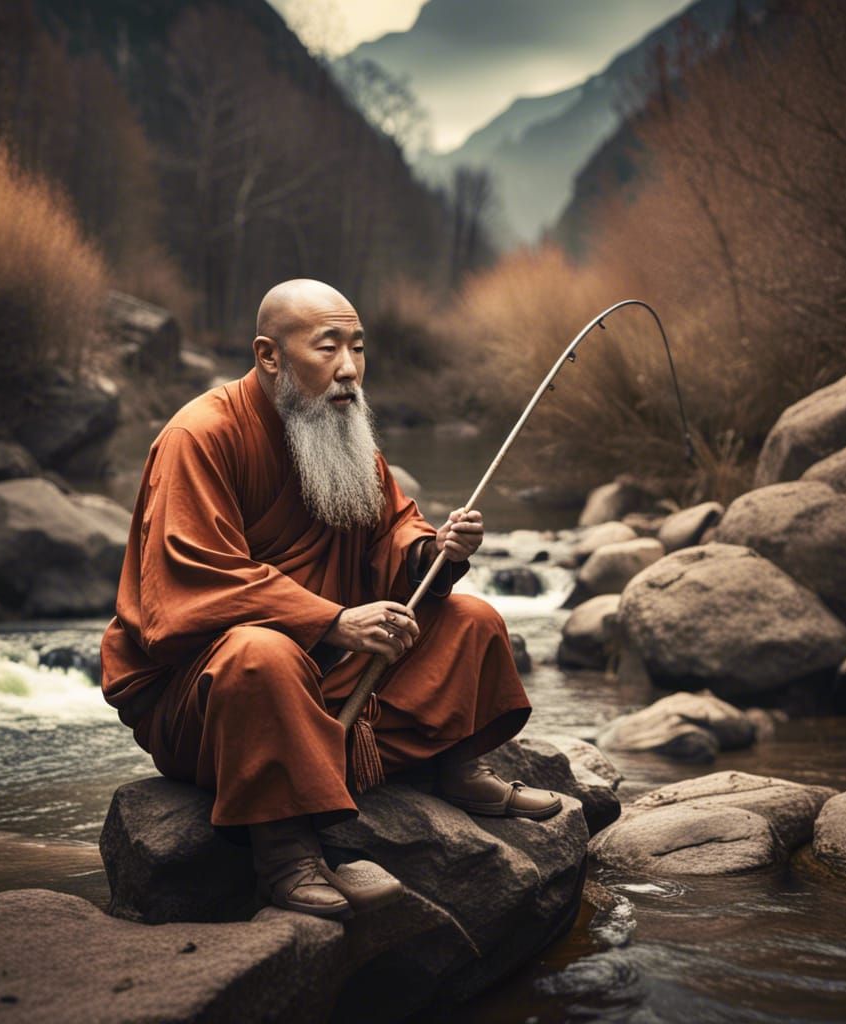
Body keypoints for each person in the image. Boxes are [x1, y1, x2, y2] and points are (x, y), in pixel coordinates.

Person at [100, 279, 561, 920]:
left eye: (358, 347)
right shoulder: (200, 436)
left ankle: (453, 768)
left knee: (469, 619)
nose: (349, 369)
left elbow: (392, 532)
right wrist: (335, 621)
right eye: (328, 348)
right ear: (269, 355)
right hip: (211, 699)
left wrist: (434, 552)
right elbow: (194, 582)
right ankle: (285, 852)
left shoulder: (341, 429)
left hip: (331, 675)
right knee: (260, 655)